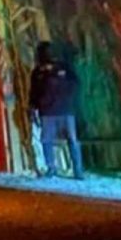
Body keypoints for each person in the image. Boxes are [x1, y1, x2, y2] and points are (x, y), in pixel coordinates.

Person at [29, 41, 84, 179]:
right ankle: (51, 168)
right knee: (47, 140)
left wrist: (68, 97)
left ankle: (78, 170)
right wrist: (33, 108)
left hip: (66, 110)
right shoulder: (38, 72)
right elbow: (33, 92)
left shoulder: (64, 68)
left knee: (72, 140)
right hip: (47, 112)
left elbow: (76, 84)